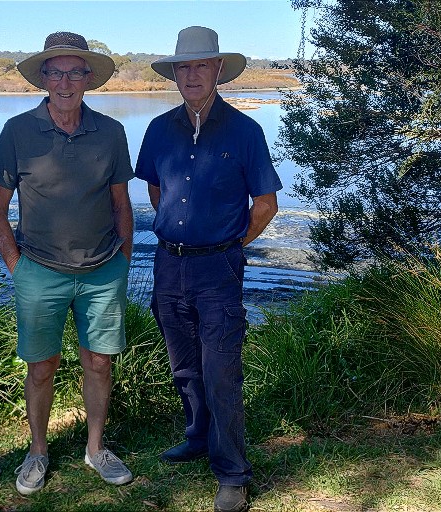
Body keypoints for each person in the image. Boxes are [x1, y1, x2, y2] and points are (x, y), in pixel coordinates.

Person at [135, 26, 283, 512]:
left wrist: (228, 244)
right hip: (167, 265)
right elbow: (156, 191)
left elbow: (265, 205)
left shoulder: (246, 131)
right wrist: (180, 233)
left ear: (219, 70)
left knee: (221, 369)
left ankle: (233, 473)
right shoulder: (158, 130)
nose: (192, 74)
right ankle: (197, 437)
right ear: (174, 74)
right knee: (183, 364)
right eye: (184, 66)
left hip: (219, 268)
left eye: (201, 65)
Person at [0, 31, 134, 496]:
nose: (65, 81)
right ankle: (37, 452)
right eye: (56, 71)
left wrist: (122, 262)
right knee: (41, 367)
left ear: (88, 78)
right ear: (43, 77)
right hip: (39, 272)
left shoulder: (111, 131)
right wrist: (18, 267)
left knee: (99, 364)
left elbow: (121, 204)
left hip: (103, 271)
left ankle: (95, 448)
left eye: (75, 71)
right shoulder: (17, 132)